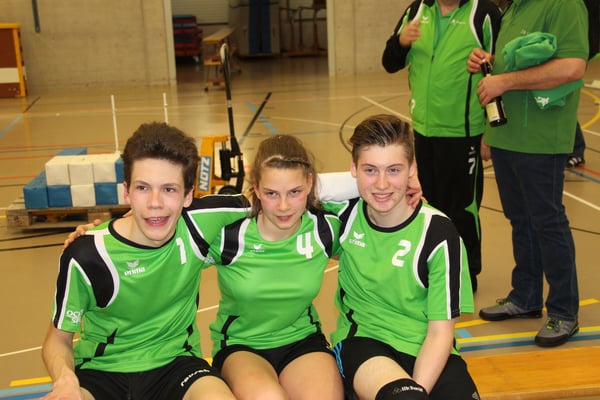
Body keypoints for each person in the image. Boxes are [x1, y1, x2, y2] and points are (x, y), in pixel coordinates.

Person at [41, 122, 246, 400]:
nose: (154, 202)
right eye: (143, 188)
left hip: (177, 364)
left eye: (169, 189)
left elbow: (274, 194)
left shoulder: (198, 224)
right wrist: (65, 379)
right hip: (102, 371)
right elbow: (57, 338)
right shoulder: (88, 254)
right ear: (127, 192)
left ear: (188, 195)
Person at [324, 114, 477, 400]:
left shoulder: (438, 232)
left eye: (394, 170)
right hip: (365, 343)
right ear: (353, 169)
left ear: (412, 169)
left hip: (429, 346)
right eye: (370, 170)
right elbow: (288, 188)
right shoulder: (343, 217)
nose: (382, 184)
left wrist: (418, 390)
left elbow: (440, 333)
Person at [467, 0, 588, 347]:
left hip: (542, 138)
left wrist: (504, 81)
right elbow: (520, 64)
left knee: (547, 222)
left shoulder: (564, 5)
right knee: (520, 220)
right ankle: (526, 296)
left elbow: (572, 66)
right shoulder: (515, 8)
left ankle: (563, 311)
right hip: (507, 134)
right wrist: (490, 63)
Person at [208, 134, 344, 400]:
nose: (283, 206)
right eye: (271, 193)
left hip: (303, 340)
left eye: (295, 192)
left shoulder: (325, 229)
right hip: (241, 346)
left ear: (310, 184)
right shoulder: (228, 235)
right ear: (256, 189)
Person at [382, 0, 501, 292]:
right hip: (423, 130)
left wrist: (491, 130)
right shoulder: (417, 10)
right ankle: (434, 267)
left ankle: (465, 273)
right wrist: (401, 42)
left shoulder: (484, 13)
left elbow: (501, 70)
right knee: (426, 205)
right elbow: (389, 62)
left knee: (462, 209)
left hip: (464, 132)